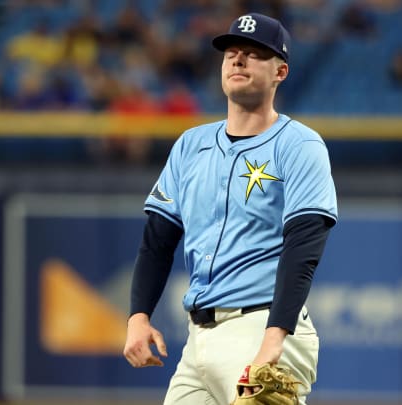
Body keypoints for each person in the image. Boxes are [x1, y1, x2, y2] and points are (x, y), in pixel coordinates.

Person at [123, 12, 337, 405]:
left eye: (254, 53)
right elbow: (157, 242)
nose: (238, 60)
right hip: (197, 339)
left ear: (281, 72)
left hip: (262, 326)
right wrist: (139, 317)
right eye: (231, 52)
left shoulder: (300, 146)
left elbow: (303, 248)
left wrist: (273, 343)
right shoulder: (190, 145)